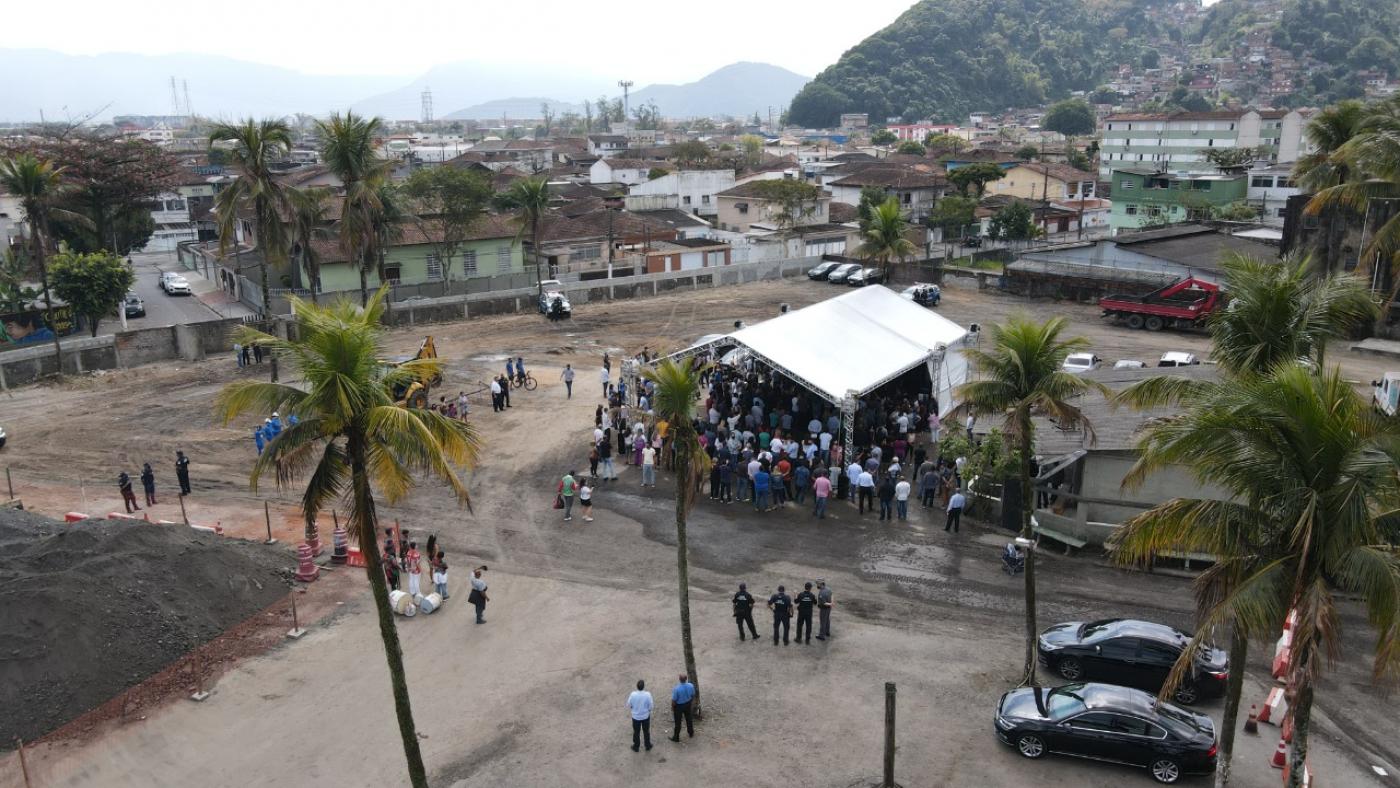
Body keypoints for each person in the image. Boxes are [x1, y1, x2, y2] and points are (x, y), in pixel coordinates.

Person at [627, 680, 654, 752]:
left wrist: (633, 708)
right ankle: (647, 745)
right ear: (644, 686)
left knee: (636, 732)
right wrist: (648, 710)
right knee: (646, 731)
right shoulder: (647, 694)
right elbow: (651, 705)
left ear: (637, 686)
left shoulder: (633, 694)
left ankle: (636, 746)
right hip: (645, 716)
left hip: (636, 717)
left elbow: (628, 704)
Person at [670, 674, 696, 741]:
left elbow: (674, 700)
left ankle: (676, 737)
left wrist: (672, 707)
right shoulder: (690, 685)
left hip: (679, 706)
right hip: (688, 703)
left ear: (679, 679)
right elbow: (693, 695)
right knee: (689, 719)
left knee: (678, 722)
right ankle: (691, 733)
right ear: (686, 679)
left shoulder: (677, 689)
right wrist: (691, 701)